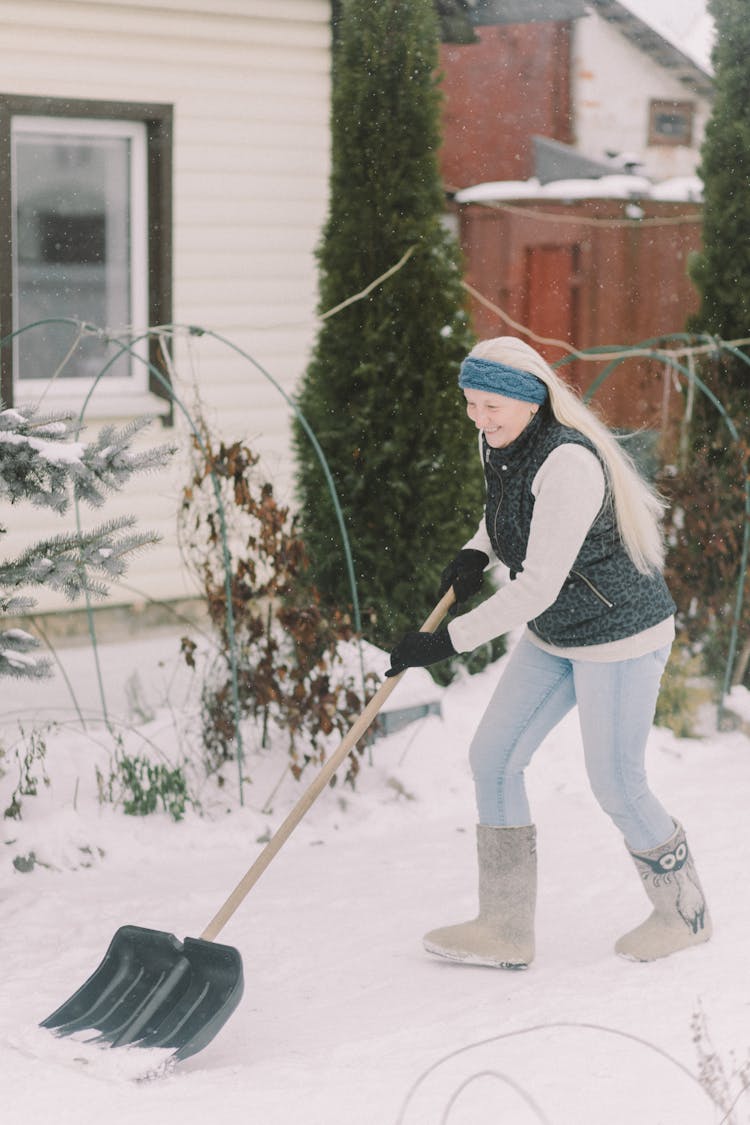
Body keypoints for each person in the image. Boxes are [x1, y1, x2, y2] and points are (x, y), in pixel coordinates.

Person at [387, 336, 711, 968]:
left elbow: (536, 586)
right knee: (494, 758)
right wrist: (477, 551)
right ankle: (506, 928)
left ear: (530, 402)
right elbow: (503, 508)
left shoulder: (568, 463)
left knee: (616, 783)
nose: (480, 418)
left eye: (492, 406)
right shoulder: (502, 441)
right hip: (559, 632)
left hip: (619, 635)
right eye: (470, 404)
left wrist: (443, 643)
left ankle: (684, 912)